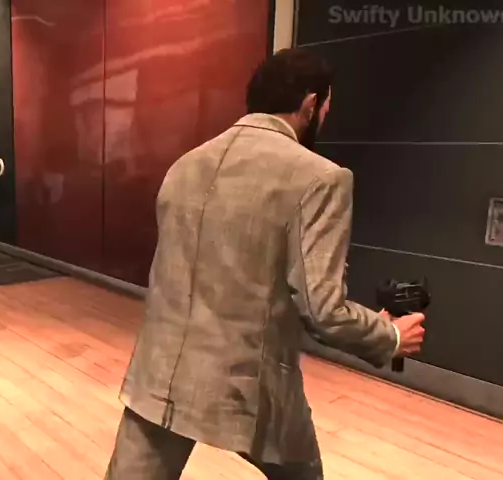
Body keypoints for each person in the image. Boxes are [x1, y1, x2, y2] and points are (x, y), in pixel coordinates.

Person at [104, 48, 426, 480]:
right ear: (311, 104)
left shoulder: (185, 165)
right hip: (251, 386)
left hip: (159, 374)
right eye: (326, 109)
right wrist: (389, 336)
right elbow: (323, 309)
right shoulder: (322, 178)